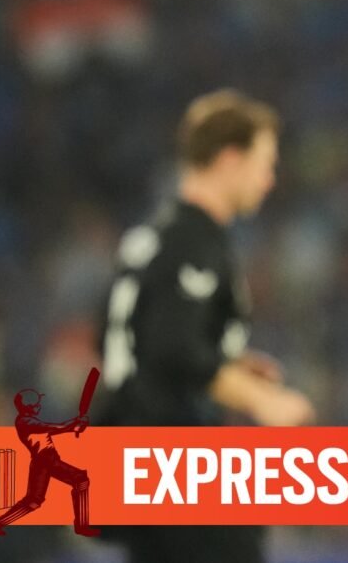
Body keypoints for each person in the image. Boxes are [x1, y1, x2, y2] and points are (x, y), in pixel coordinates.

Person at [96, 89, 315, 563]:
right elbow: (173, 347)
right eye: (265, 163)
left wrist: (227, 364)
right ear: (231, 159)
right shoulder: (194, 243)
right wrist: (263, 401)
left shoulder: (152, 237)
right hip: (174, 460)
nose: (270, 180)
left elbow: (123, 339)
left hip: (127, 454)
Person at [0, 389, 99, 537]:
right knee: (78, 480)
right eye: (36, 405)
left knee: (35, 500)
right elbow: (51, 428)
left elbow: (55, 428)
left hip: (48, 460)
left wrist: (74, 426)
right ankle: (80, 526)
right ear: (27, 407)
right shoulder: (25, 422)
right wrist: (73, 423)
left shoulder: (30, 419)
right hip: (44, 461)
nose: (39, 407)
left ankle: (0, 522)